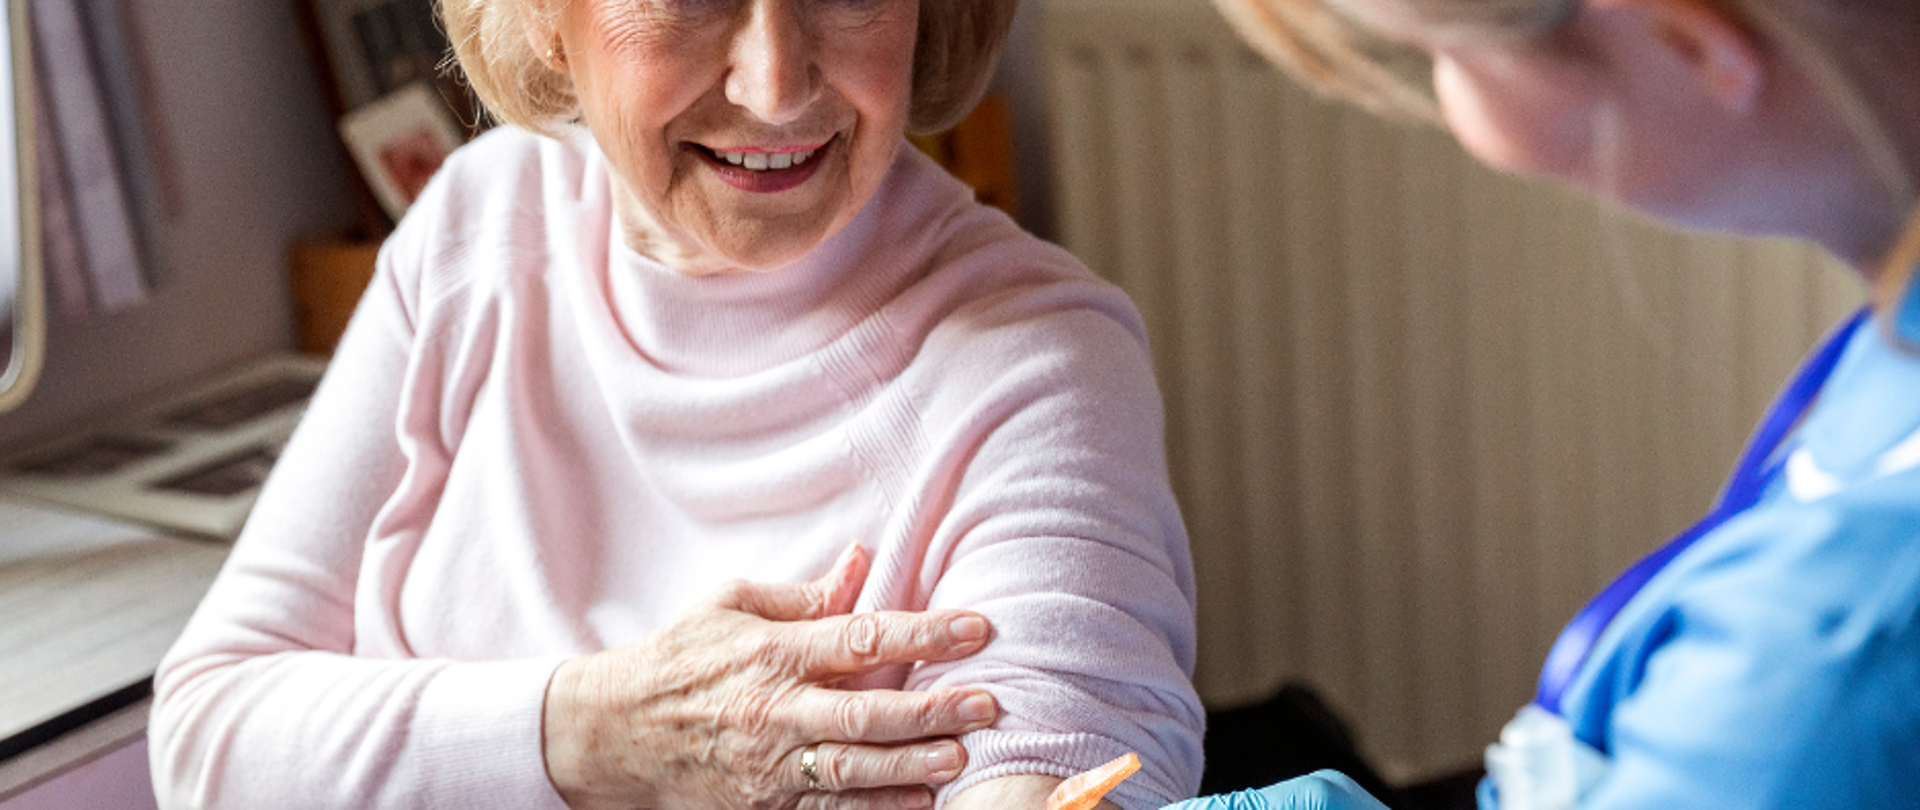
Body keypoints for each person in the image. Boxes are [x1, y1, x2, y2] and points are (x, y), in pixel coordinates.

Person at [147, 1, 1206, 808]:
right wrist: (600, 731)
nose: (776, 84)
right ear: (547, 23)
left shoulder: (1041, 357)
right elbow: (206, 738)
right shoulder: (475, 227)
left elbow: (1064, 763)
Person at [1162, 0, 1920, 807]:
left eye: (1443, 59)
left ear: (1689, 40)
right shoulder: (1882, 358)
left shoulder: (1832, 647)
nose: (1459, 117)